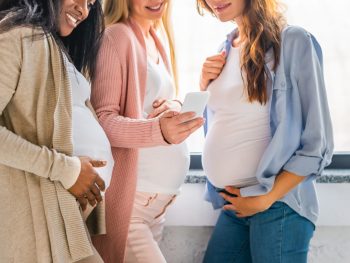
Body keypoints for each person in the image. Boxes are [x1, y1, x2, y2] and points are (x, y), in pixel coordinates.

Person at [197, 0, 334, 262]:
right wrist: (203, 85)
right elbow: (228, 121)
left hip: (278, 205)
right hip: (234, 205)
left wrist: (266, 198)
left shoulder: (293, 42)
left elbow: (318, 143)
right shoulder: (225, 48)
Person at [90, 0, 205, 262]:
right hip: (132, 208)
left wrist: (175, 104)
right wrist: (160, 131)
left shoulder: (155, 37)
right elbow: (103, 120)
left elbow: (152, 103)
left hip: (155, 209)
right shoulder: (116, 36)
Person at [0, 0, 113, 262]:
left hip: (61, 215)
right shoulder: (17, 36)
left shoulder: (52, 44)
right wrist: (67, 169)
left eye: (91, 3)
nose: (84, 10)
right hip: (34, 222)